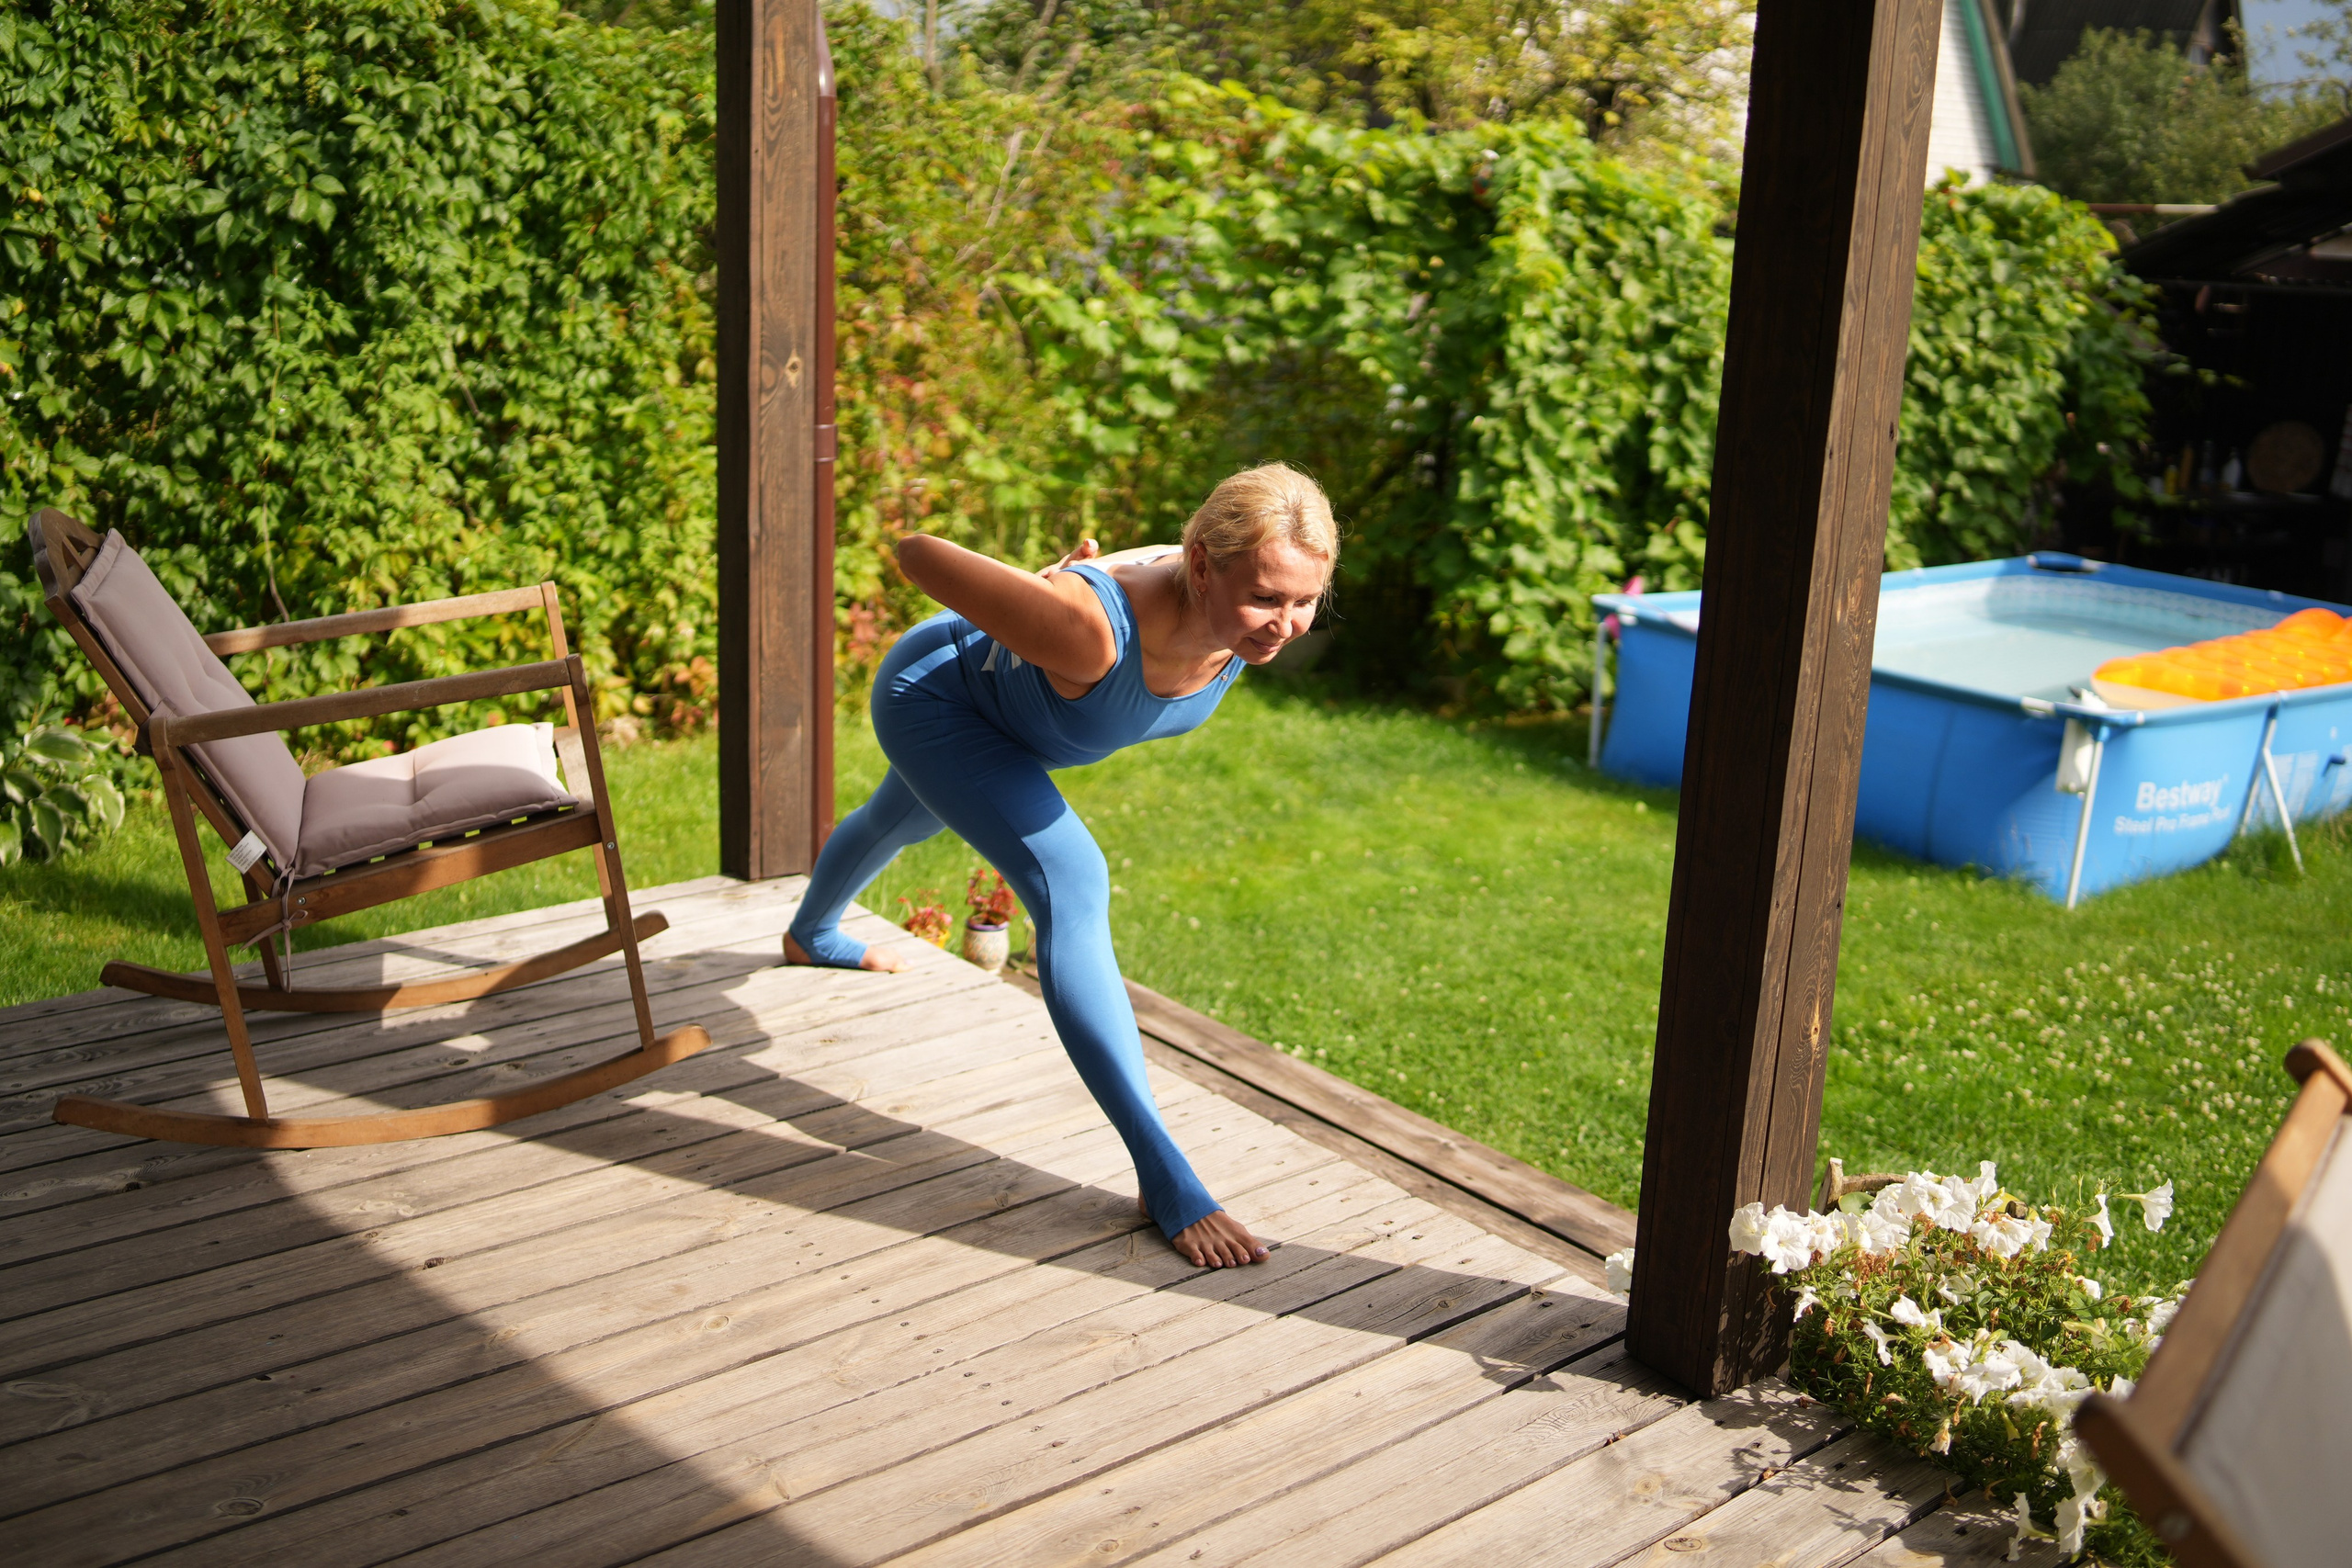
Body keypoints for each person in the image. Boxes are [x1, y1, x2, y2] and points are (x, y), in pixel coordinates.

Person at [785, 463, 1337, 1269]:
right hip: (934, 696)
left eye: (1303, 600)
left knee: (896, 819)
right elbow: (916, 551)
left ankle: (811, 932)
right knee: (1073, 884)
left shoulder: (1220, 610)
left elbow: (1141, 560)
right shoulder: (1094, 629)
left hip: (1005, 718)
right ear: (1203, 566)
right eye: (1265, 597)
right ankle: (1162, 1173)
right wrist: (1046, 592)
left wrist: (1087, 570)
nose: (1283, 623)